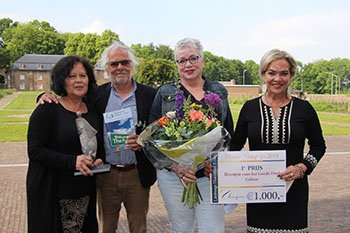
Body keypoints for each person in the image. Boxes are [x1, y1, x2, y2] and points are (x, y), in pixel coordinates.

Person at [37, 41, 157, 233]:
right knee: (106, 227)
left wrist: (144, 142)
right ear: (107, 68)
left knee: (139, 228)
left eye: (124, 62)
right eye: (114, 64)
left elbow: (160, 130)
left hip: (137, 173)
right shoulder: (96, 95)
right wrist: (44, 95)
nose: (119, 67)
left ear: (132, 64)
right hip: (106, 174)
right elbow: (67, 100)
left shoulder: (150, 95)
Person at [221, 49, 326, 232]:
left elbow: (318, 146)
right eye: (272, 73)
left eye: (283, 73)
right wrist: (218, 165)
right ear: (263, 74)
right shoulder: (250, 108)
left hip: (294, 189)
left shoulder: (304, 109)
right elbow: (235, 146)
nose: (277, 79)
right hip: (258, 189)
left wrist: (302, 168)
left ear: (291, 75)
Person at [149, 38, 235, 233]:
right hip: (174, 176)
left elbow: (228, 132)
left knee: (213, 228)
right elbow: (151, 138)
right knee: (181, 228)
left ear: (202, 60)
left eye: (193, 58)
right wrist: (176, 167)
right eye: (182, 60)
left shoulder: (218, 91)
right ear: (177, 65)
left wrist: (213, 162)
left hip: (208, 175)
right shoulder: (165, 92)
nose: (188, 64)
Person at [27, 56, 105, 233]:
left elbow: (98, 146)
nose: (78, 80)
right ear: (61, 80)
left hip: (83, 191)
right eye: (71, 76)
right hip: (52, 190)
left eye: (82, 75)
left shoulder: (93, 112)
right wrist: (72, 162)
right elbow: (35, 150)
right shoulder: (47, 109)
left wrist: (99, 159)